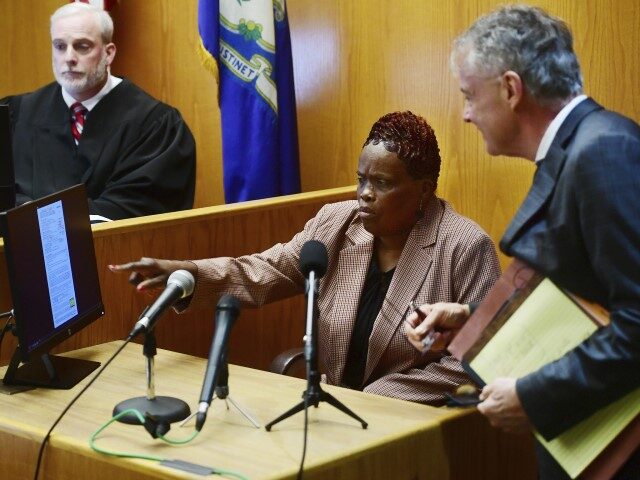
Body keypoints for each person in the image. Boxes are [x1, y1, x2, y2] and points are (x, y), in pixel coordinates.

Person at [111, 111, 501, 404]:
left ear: (424, 191)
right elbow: (264, 271)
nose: (364, 194)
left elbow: (478, 357)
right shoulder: (336, 222)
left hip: (412, 423)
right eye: (361, 179)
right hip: (331, 414)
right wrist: (186, 274)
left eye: (382, 183)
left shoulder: (463, 245)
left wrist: (381, 397)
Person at [405, 5, 640, 478]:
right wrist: (472, 321)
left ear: (511, 89)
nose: (466, 116)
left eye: (469, 96)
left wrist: (534, 395)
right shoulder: (580, 148)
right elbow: (582, 296)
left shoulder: (604, 152)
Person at [0, 2, 196, 220]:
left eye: (82, 46)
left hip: (117, 251)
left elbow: (139, 207)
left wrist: (36, 217)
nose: (69, 58)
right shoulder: (16, 115)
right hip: (26, 252)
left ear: (108, 53)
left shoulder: (156, 125)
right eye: (60, 46)